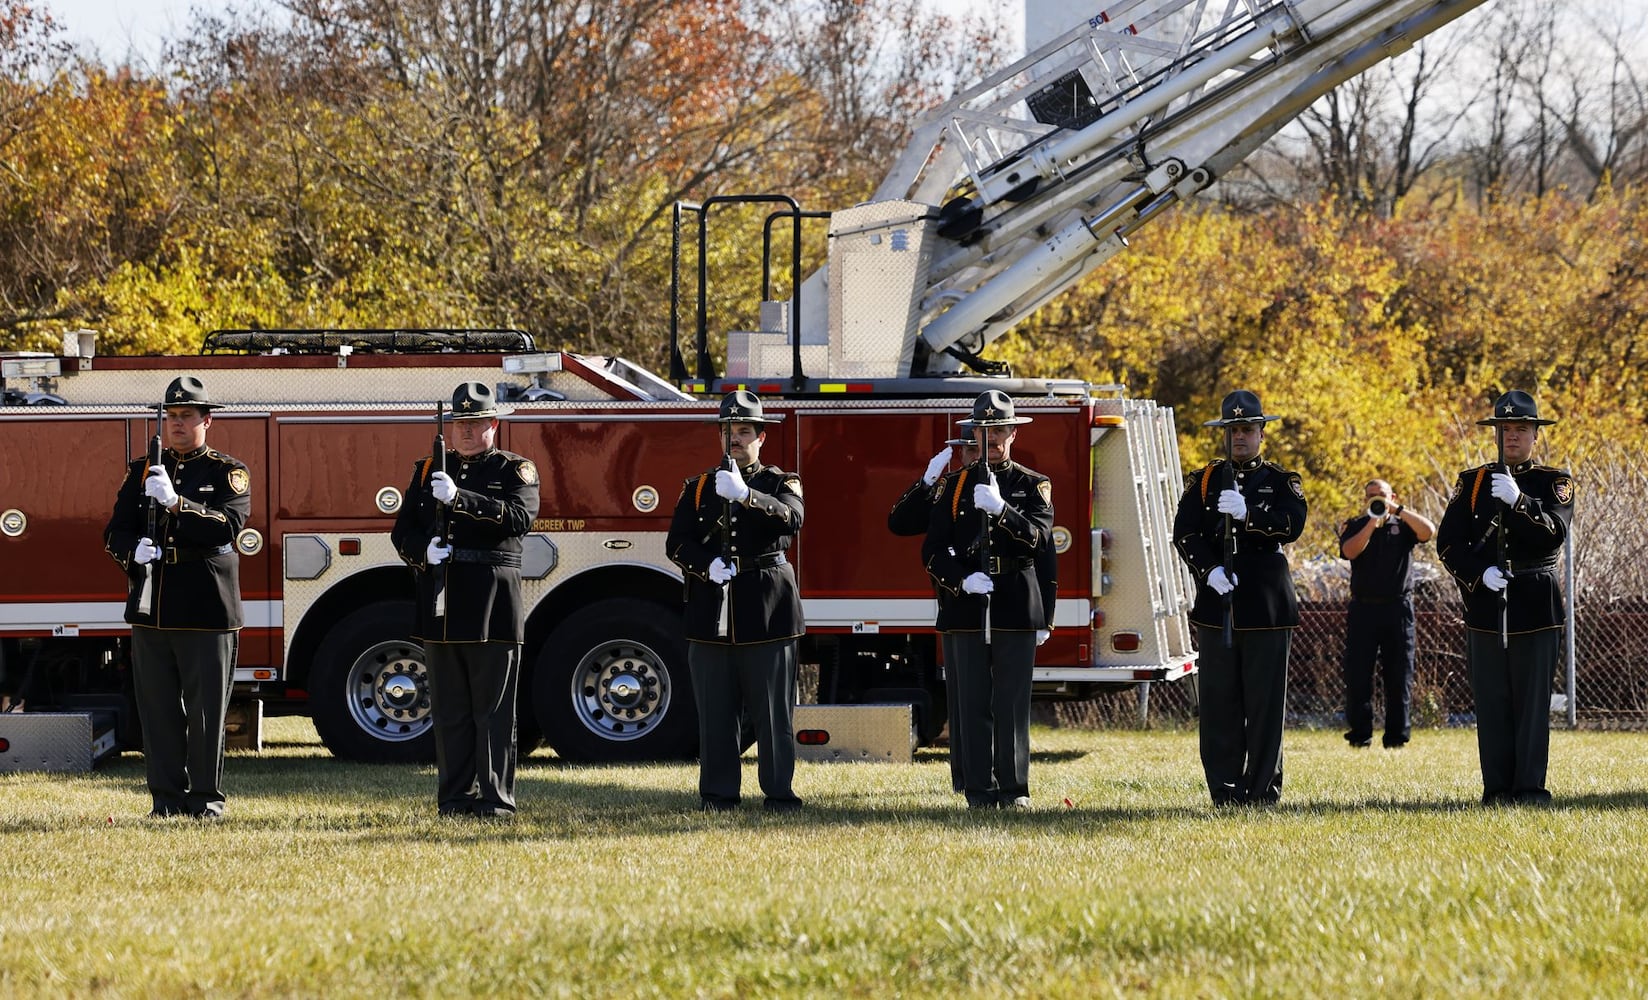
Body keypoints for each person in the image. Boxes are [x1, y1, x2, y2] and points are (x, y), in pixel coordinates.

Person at [103, 376, 250, 819]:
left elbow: (227, 528)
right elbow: (115, 531)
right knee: (159, 711)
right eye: (171, 416)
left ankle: (205, 799)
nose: (177, 425)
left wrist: (175, 503)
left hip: (206, 605)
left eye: (187, 416)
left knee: (205, 714)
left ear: (207, 420)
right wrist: (132, 551)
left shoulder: (228, 472)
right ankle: (165, 800)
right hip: (153, 604)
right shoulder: (143, 470)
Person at [391, 381, 539, 819]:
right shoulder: (427, 470)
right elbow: (403, 531)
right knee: (451, 711)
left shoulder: (515, 470)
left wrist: (461, 499)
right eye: (460, 423)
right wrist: (424, 553)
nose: (467, 431)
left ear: (494, 424)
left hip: (492, 599)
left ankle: (495, 800)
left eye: (476, 423)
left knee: (491, 712)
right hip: (442, 600)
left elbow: (518, 519)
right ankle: (454, 799)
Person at [665, 390, 806, 812]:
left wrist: (746, 495)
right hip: (711, 610)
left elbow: (793, 518)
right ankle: (718, 794)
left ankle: (779, 794)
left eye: (744, 431)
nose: (735, 439)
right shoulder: (697, 488)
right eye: (727, 431)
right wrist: (706, 565)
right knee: (715, 715)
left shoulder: (780, 482)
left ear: (761, 437)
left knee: (773, 715)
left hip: (767, 609)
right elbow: (677, 543)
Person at [1435, 390, 1572, 805]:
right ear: (1495, 435)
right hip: (1486, 604)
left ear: (1535, 435)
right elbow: (1447, 544)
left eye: (1521, 429)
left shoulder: (1555, 483)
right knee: (1492, 704)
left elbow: (1555, 533)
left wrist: (1520, 502)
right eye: (1505, 429)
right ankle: (1496, 790)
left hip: (1535, 601)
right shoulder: (1472, 482)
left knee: (1532, 707)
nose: (1512, 437)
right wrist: (1479, 574)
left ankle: (1529, 790)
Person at [1172, 390, 1306, 806]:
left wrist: (1249, 514)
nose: (1240, 438)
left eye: (1247, 429)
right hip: (1219, 604)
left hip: (1265, 604)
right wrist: (1209, 570)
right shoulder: (1205, 480)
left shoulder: (1282, 481)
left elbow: (1292, 524)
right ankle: (1225, 789)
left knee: (1265, 706)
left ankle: (1263, 789)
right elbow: (1185, 532)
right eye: (1233, 431)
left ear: (1261, 432)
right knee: (1219, 703)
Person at [921, 390, 1054, 809]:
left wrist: (1002, 511)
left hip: (1014, 600)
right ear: (973, 434)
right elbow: (932, 550)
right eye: (985, 430)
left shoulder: (1033, 484)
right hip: (966, 606)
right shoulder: (955, 486)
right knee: (971, 702)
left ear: (1013, 433)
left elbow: (1038, 541)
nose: (992, 439)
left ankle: (1014, 789)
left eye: (1000, 430)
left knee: (1011, 704)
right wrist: (961, 580)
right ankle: (978, 790)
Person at [888, 435, 978, 794]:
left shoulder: (1019, 484)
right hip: (958, 602)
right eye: (968, 448)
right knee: (962, 697)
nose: (974, 455)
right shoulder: (949, 489)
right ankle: (966, 779)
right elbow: (900, 522)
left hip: (1005, 608)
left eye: (980, 445)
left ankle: (1003, 780)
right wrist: (926, 483)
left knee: (998, 700)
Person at [1339, 479, 1436, 749]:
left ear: (1392, 495)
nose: (1376, 500)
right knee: (1358, 675)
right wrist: (1372, 521)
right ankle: (1360, 735)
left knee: (1399, 675)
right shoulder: (1356, 524)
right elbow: (1349, 551)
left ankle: (1396, 738)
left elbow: (1428, 531)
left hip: (1398, 608)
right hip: (1363, 609)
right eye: (1371, 496)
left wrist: (1396, 509)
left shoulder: (1404, 526)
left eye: (1380, 496)